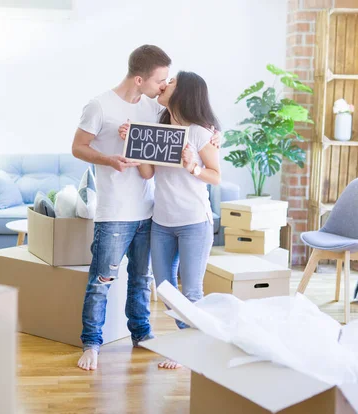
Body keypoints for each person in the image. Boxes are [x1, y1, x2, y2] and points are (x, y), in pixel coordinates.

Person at [72, 46, 219, 371]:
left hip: (154, 213)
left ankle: (146, 336)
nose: (164, 86)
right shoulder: (101, 106)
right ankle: (92, 343)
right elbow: (81, 148)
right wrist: (111, 156)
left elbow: (199, 122)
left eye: (168, 82)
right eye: (161, 80)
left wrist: (214, 138)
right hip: (117, 213)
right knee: (102, 281)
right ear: (141, 80)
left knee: (144, 281)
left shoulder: (157, 107)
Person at [119, 71, 221, 369]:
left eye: (172, 82)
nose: (164, 85)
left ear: (184, 93)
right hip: (162, 222)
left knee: (191, 291)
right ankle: (193, 343)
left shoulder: (202, 133)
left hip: (194, 223)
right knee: (165, 290)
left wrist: (193, 167)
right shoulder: (159, 127)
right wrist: (134, 149)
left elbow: (216, 176)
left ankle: (192, 350)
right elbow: (149, 174)